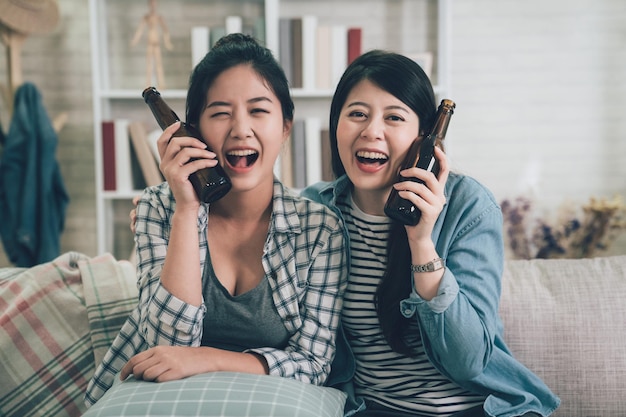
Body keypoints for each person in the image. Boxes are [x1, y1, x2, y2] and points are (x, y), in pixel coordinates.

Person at [85, 33, 347, 406]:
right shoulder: (159, 208)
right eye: (221, 113)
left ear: (286, 126)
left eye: (258, 110)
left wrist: (206, 359)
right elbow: (167, 345)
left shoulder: (320, 230)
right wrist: (187, 210)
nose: (240, 129)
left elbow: (314, 363)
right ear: (192, 130)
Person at [300, 50, 560, 417]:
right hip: (373, 408)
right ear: (336, 124)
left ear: (424, 139)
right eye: (357, 114)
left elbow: (469, 360)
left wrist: (421, 242)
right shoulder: (315, 210)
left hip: (477, 408)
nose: (371, 131)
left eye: (394, 117)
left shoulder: (468, 206)